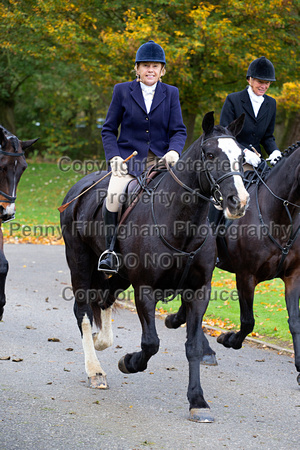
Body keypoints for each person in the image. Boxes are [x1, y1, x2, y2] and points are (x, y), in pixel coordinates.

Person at [99, 40, 187, 274]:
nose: (151, 70)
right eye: (146, 65)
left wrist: (174, 151)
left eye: (155, 66)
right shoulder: (122, 90)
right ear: (137, 69)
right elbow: (108, 129)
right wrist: (114, 158)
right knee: (114, 196)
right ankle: (110, 252)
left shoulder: (171, 93)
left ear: (162, 71)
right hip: (128, 162)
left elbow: (178, 130)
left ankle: (181, 252)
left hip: (161, 162)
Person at [220, 56, 282, 168]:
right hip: (233, 159)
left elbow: (267, 136)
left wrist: (274, 151)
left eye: (267, 83)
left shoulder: (271, 103)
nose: (264, 86)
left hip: (257, 160)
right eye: (260, 82)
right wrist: (244, 152)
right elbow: (225, 134)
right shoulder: (233, 100)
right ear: (249, 80)